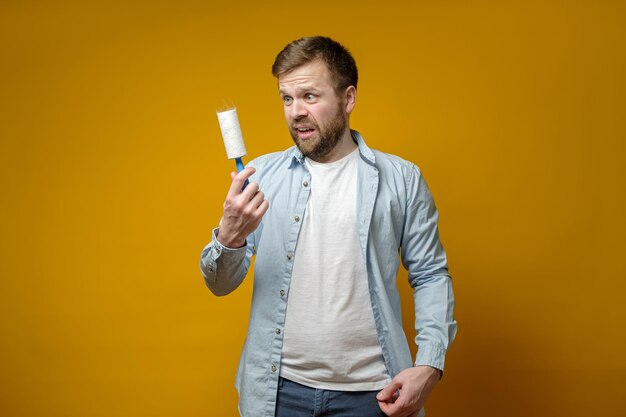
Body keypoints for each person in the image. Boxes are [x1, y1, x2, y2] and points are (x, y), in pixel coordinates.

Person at [200, 36, 457, 417]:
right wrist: (230, 236)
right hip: (277, 393)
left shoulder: (402, 179)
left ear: (348, 98)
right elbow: (219, 285)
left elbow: (431, 274)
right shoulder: (262, 177)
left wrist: (431, 365)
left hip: (375, 394)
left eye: (309, 96)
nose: (295, 112)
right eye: (287, 99)